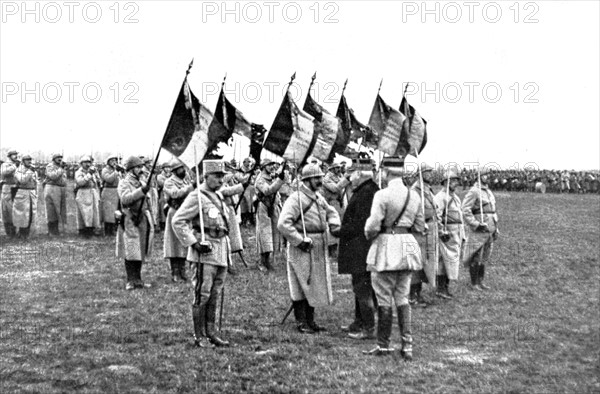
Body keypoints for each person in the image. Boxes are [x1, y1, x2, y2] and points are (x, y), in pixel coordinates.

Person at [363, 157, 425, 360]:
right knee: (403, 297)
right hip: (407, 246)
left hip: (387, 246)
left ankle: (383, 344)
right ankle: (407, 345)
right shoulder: (414, 196)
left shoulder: (382, 195)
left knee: (383, 298)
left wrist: (370, 236)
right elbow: (419, 226)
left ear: (386, 172)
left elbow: (372, 226)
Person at [172, 160, 232, 347]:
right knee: (202, 294)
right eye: (216, 176)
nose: (220, 180)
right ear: (205, 176)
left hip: (220, 250)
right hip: (204, 253)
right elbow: (178, 220)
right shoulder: (196, 196)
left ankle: (211, 332)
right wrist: (194, 243)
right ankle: (199, 336)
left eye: (222, 176)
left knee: (215, 293)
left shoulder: (218, 196)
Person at [277, 163, 341, 334]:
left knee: (315, 282)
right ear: (307, 180)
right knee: (300, 282)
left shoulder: (318, 197)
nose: (320, 180)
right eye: (316, 178)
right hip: (302, 245)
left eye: (320, 177)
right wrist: (299, 240)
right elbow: (283, 223)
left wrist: (334, 225)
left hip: (319, 244)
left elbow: (332, 212)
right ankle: (301, 321)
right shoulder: (295, 198)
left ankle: (311, 320)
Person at [337, 158, 379, 340]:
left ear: (360, 174)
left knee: (362, 288)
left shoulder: (366, 193)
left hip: (361, 247)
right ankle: (359, 321)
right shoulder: (366, 190)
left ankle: (368, 327)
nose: (349, 178)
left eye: (351, 174)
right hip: (361, 246)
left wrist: (340, 231)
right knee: (360, 285)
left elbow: (360, 223)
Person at [116, 156, 154, 290]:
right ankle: (130, 280)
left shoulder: (142, 182)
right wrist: (141, 192)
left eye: (141, 167)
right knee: (132, 248)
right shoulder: (124, 183)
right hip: (130, 217)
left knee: (141, 248)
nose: (140, 170)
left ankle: (138, 279)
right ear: (130, 169)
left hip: (142, 217)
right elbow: (125, 199)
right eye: (137, 167)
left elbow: (148, 200)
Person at [462, 167, 499, 290]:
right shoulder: (474, 191)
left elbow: (493, 211)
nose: (487, 177)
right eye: (484, 175)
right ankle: (474, 283)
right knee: (476, 254)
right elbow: (465, 209)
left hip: (490, 227)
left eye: (488, 174)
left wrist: (496, 227)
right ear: (478, 176)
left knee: (485, 256)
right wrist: (475, 223)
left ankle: (480, 281)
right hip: (480, 228)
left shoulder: (488, 191)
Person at [409, 162, 441, 306]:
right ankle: (412, 295)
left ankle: (418, 292)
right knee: (418, 261)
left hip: (430, 229)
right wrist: (421, 224)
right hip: (420, 230)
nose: (430, 174)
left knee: (427, 262)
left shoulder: (427, 189)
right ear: (420, 174)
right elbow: (413, 210)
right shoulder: (415, 190)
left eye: (430, 171)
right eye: (427, 172)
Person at [434, 167, 465, 299]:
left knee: (452, 261)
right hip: (446, 233)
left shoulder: (456, 198)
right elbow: (437, 216)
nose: (455, 184)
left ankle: (445, 287)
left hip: (455, 233)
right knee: (443, 261)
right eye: (453, 181)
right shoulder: (440, 197)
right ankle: (440, 288)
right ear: (446, 182)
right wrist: (441, 231)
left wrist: (462, 235)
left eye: (456, 181)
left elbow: (460, 218)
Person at [163, 158, 194, 282]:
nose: (184, 170)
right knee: (174, 243)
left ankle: (182, 270)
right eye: (181, 168)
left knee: (184, 241)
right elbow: (175, 194)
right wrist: (191, 187)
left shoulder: (185, 181)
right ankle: (175, 272)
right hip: (175, 212)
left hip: (185, 212)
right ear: (175, 170)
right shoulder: (169, 182)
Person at [255, 158, 286, 270]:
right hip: (263, 207)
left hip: (273, 206)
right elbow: (267, 191)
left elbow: (279, 176)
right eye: (269, 165)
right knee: (264, 234)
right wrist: (279, 181)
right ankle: (261, 262)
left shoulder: (271, 177)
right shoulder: (260, 179)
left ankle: (268, 261)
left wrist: (282, 171)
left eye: (273, 165)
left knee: (274, 233)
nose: (272, 167)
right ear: (263, 167)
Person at [321, 162, 350, 258]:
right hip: (331, 203)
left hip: (339, 203)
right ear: (331, 169)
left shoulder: (339, 176)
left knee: (340, 226)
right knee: (333, 227)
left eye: (339, 167)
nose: (338, 169)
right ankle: (332, 251)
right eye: (336, 168)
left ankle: (338, 250)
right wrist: (346, 179)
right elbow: (335, 188)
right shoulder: (327, 179)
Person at [75, 156, 101, 237]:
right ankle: (85, 230)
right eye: (85, 162)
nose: (87, 164)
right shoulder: (79, 172)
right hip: (83, 192)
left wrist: (96, 175)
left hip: (91, 191)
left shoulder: (93, 172)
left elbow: (97, 181)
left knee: (93, 211)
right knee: (85, 211)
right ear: (81, 163)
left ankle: (92, 228)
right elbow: (80, 182)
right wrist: (89, 174)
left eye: (89, 162)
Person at [13, 155, 38, 239]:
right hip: (22, 192)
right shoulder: (19, 170)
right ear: (23, 161)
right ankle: (21, 233)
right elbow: (22, 180)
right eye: (27, 160)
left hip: (32, 192)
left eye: (30, 160)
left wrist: (36, 193)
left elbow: (35, 183)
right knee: (23, 215)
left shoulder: (32, 170)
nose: (29, 161)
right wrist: (30, 171)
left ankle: (29, 234)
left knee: (32, 213)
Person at [44, 153, 68, 236]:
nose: (60, 159)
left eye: (61, 157)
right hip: (52, 187)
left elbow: (64, 178)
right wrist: (61, 168)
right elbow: (53, 176)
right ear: (53, 159)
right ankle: (51, 231)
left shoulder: (61, 167)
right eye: (58, 157)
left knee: (60, 210)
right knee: (52, 210)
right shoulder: (50, 166)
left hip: (61, 188)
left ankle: (57, 230)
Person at [101, 154, 123, 236]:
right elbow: (109, 179)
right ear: (108, 162)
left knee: (117, 211)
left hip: (116, 190)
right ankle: (107, 230)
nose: (114, 162)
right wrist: (116, 172)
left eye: (115, 160)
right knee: (108, 212)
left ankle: (114, 228)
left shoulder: (116, 171)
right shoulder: (105, 170)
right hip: (108, 191)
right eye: (112, 160)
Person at [1, 150, 20, 238]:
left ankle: (16, 231)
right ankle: (9, 233)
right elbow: (4, 172)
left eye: (16, 154)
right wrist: (14, 167)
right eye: (14, 155)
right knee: (7, 210)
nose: (16, 156)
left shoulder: (18, 164)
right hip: (7, 187)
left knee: (16, 210)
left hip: (16, 187)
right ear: (9, 156)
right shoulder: (5, 164)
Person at [156, 162, 172, 231]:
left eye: (169, 167)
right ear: (163, 169)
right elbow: (162, 184)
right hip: (162, 194)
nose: (168, 169)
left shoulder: (170, 176)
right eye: (166, 167)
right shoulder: (160, 176)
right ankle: (162, 223)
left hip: (169, 194)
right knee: (162, 208)